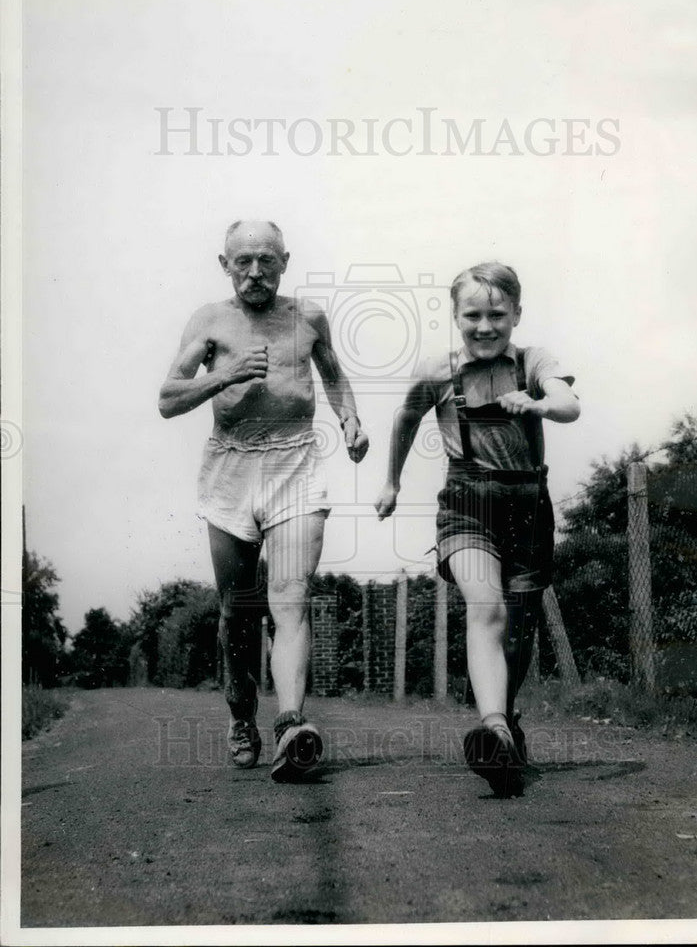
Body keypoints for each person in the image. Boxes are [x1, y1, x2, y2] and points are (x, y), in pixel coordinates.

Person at [159, 220, 368, 782]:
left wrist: (348, 418)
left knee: (290, 597)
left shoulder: (308, 318)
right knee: (238, 614)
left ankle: (293, 724)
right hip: (230, 466)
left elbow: (335, 378)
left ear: (285, 261)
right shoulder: (208, 321)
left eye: (267, 261)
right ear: (224, 263)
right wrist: (222, 374)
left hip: (295, 463)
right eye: (244, 260)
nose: (256, 272)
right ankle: (241, 714)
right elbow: (167, 398)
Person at [374, 261, 579, 796]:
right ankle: (491, 729)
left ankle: (506, 724)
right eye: (473, 315)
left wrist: (536, 403)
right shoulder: (437, 371)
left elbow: (568, 403)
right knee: (485, 607)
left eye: (497, 315)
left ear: (516, 314)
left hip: (529, 505)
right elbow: (404, 418)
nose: (484, 326)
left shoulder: (534, 361)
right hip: (466, 504)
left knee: (518, 630)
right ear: (456, 315)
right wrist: (390, 482)